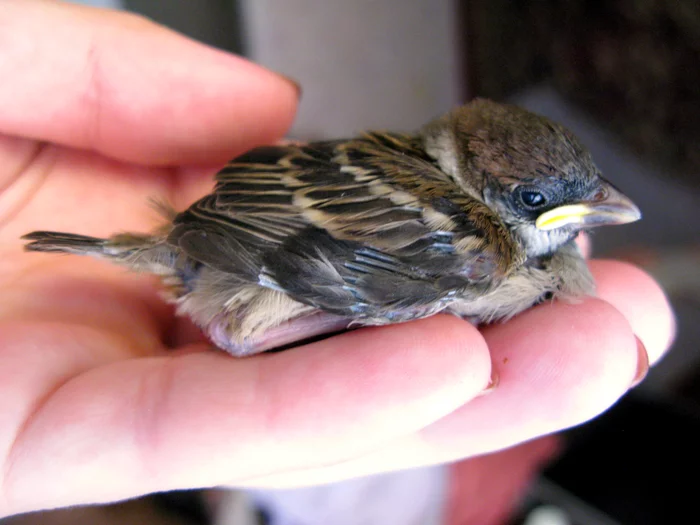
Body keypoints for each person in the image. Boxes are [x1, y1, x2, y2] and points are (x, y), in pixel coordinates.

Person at [0, 0, 674, 520]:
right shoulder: (473, 241)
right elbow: (306, 255)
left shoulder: (467, 213)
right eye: (533, 200)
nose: (603, 207)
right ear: (488, 187)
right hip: (246, 267)